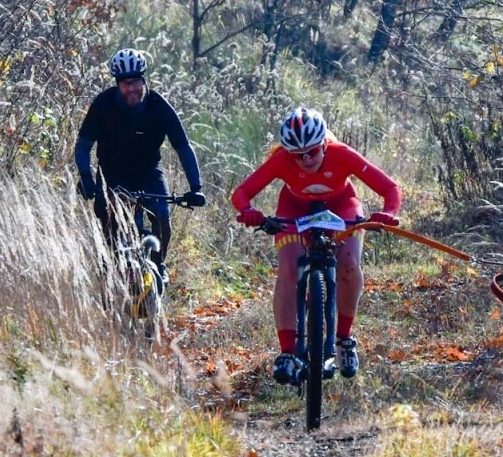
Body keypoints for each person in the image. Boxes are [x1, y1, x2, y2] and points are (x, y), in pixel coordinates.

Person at [230, 107, 400, 383]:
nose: (306, 159)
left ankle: (344, 339)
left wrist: (388, 212)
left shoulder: (342, 154)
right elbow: (241, 192)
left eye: (311, 151)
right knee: (289, 268)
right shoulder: (281, 160)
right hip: (294, 208)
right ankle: (287, 352)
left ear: (323, 144)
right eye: (297, 155)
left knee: (348, 263)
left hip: (342, 206)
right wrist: (249, 211)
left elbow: (390, 189)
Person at [74, 49, 206, 280]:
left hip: (148, 173)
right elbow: (83, 144)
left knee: (162, 218)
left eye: (136, 82)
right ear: (118, 84)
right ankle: (110, 278)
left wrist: (196, 188)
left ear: (143, 80)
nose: (132, 88)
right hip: (111, 174)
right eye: (126, 84)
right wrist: (86, 177)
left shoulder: (158, 106)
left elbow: (183, 146)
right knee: (109, 226)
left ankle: (158, 266)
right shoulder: (103, 104)